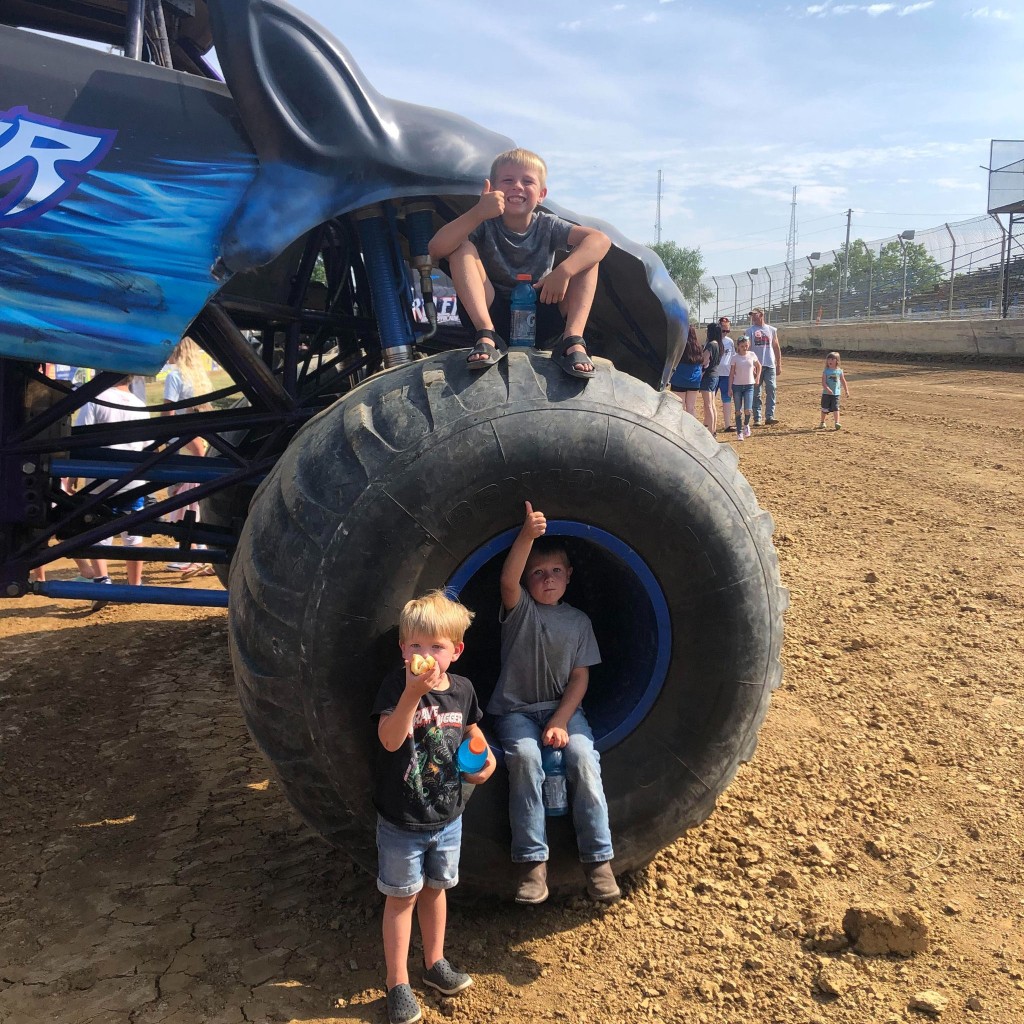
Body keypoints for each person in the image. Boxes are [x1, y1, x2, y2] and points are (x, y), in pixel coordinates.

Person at [488, 501, 620, 905]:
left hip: (564, 709)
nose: (548, 579)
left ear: (569, 577)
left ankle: (599, 861)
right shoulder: (520, 611)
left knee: (583, 756)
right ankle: (532, 864)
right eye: (538, 573)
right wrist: (528, 536)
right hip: (516, 711)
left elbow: (581, 677)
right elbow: (507, 583)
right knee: (526, 759)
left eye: (556, 572)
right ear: (528, 581)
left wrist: (562, 719)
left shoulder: (579, 622)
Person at [372, 590, 495, 1024]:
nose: (426, 655)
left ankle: (435, 963)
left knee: (436, 891)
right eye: (416, 646)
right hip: (403, 821)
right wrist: (410, 693)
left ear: (456, 651)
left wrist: (486, 759)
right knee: (401, 900)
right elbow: (390, 740)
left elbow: (473, 733)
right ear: (403, 649)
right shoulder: (396, 685)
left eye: (437, 646)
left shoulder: (462, 690)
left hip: (447, 818)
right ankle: (397, 982)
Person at [428, 147, 611, 379]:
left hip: (541, 311)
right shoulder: (484, 224)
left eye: (527, 181)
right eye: (508, 180)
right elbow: (436, 249)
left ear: (542, 194)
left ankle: (573, 340)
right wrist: (477, 212)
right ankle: (486, 336)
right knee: (461, 248)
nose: (517, 186)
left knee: (587, 259)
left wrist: (563, 272)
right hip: (496, 316)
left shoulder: (548, 225)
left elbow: (600, 240)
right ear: (493, 189)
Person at [76, 379, 150, 609]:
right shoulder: (140, 405)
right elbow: (145, 444)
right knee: (133, 532)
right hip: (133, 477)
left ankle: (102, 580)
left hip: (101, 478)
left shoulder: (96, 401)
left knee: (96, 529)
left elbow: (79, 437)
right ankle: (135, 586)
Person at [162, 337, 215, 576]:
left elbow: (167, 414)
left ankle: (187, 551)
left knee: (180, 495)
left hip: (182, 441)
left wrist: (161, 441)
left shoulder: (174, 376)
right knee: (195, 494)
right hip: (200, 439)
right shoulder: (199, 377)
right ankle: (201, 547)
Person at [744, 308, 782, 426]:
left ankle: (770, 416)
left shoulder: (771, 330)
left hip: (769, 364)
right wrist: (750, 364)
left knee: (771, 388)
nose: (753, 317)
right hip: (756, 365)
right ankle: (757, 418)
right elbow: (747, 349)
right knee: (756, 392)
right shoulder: (749, 331)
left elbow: (776, 347)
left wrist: (779, 364)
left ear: (761, 315)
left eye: (755, 315)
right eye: (752, 315)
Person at [728, 336, 761, 442]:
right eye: (742, 346)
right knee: (738, 411)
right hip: (737, 386)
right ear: (738, 346)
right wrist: (730, 387)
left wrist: (757, 378)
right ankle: (739, 432)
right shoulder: (735, 357)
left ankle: (746, 424)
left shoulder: (752, 355)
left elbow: (759, 366)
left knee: (748, 410)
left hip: (749, 386)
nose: (745, 348)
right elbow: (732, 373)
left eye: (746, 345)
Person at [669, 325, 705, 417]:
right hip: (694, 380)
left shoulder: (679, 347)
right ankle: (691, 429)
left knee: (679, 408)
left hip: (679, 379)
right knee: (691, 408)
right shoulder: (698, 348)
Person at [700, 322, 723, 433]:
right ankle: (713, 429)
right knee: (712, 405)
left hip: (708, 376)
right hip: (715, 375)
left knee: (708, 405)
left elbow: (705, 360)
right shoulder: (719, 344)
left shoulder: (710, 345)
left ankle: (711, 431)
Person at [819, 351, 851, 430]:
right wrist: (828, 389)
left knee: (836, 408)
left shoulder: (839, 371)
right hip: (826, 394)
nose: (830, 361)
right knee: (825, 409)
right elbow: (823, 382)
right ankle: (822, 422)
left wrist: (846, 390)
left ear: (837, 361)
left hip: (836, 394)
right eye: (829, 359)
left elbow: (843, 381)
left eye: (832, 359)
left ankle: (837, 422)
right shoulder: (826, 371)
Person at [716, 316, 736, 432]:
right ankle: (708, 424)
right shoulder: (712, 340)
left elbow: (733, 357)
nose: (725, 333)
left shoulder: (730, 342)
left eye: (727, 330)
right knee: (709, 400)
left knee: (727, 398)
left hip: (726, 375)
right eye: (723, 330)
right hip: (714, 374)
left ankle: (727, 424)